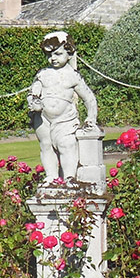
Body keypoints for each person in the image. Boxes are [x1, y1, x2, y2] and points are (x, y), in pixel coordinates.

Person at [28, 31, 98, 182]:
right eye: (49, 55)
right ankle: (51, 177)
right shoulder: (43, 74)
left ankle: (69, 177)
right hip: (43, 118)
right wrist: (34, 101)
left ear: (69, 52)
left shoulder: (73, 75)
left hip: (65, 119)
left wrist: (91, 118)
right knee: (46, 146)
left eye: (58, 54)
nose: (52, 58)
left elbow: (89, 98)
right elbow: (33, 92)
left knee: (66, 145)